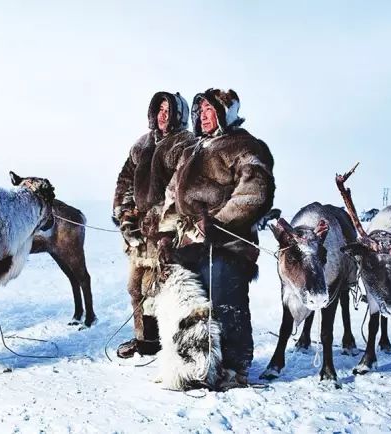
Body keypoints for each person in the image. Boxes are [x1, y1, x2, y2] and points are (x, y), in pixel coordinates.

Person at [159, 88, 275, 385]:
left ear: (226, 113)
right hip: (188, 242)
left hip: (228, 243)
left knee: (225, 299)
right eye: (200, 110)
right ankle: (198, 364)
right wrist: (166, 234)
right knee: (192, 307)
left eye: (210, 109)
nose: (203, 115)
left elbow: (255, 192)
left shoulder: (245, 146)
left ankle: (236, 367)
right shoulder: (192, 150)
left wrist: (217, 224)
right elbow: (173, 196)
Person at [112, 91, 196, 358]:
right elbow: (125, 180)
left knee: (159, 288)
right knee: (135, 287)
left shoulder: (185, 143)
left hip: (168, 232)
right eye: (159, 109)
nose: (163, 114)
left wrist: (160, 221)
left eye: (168, 109)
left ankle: (165, 343)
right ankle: (144, 339)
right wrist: (126, 214)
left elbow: (179, 188)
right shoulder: (142, 144)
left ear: (178, 113)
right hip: (138, 232)